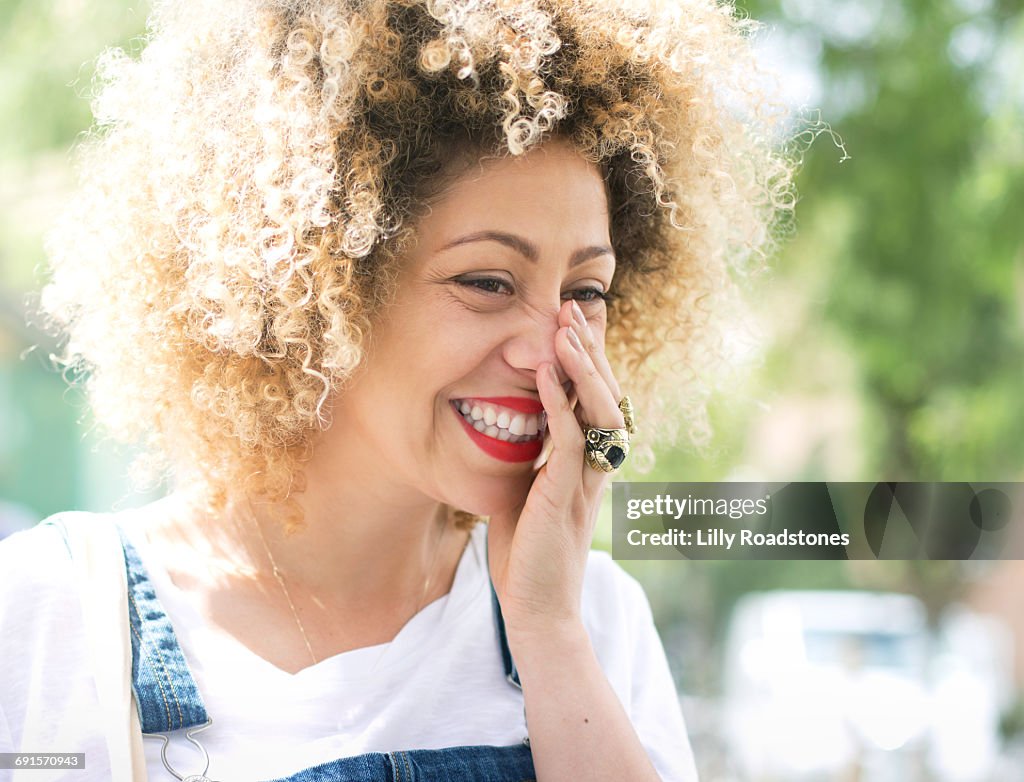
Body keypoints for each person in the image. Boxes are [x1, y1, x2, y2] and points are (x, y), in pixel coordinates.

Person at [0, 0, 791, 779]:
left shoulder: (593, 619)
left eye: (586, 291)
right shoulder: (50, 615)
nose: (550, 350)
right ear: (317, 283)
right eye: (488, 281)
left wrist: (548, 633)